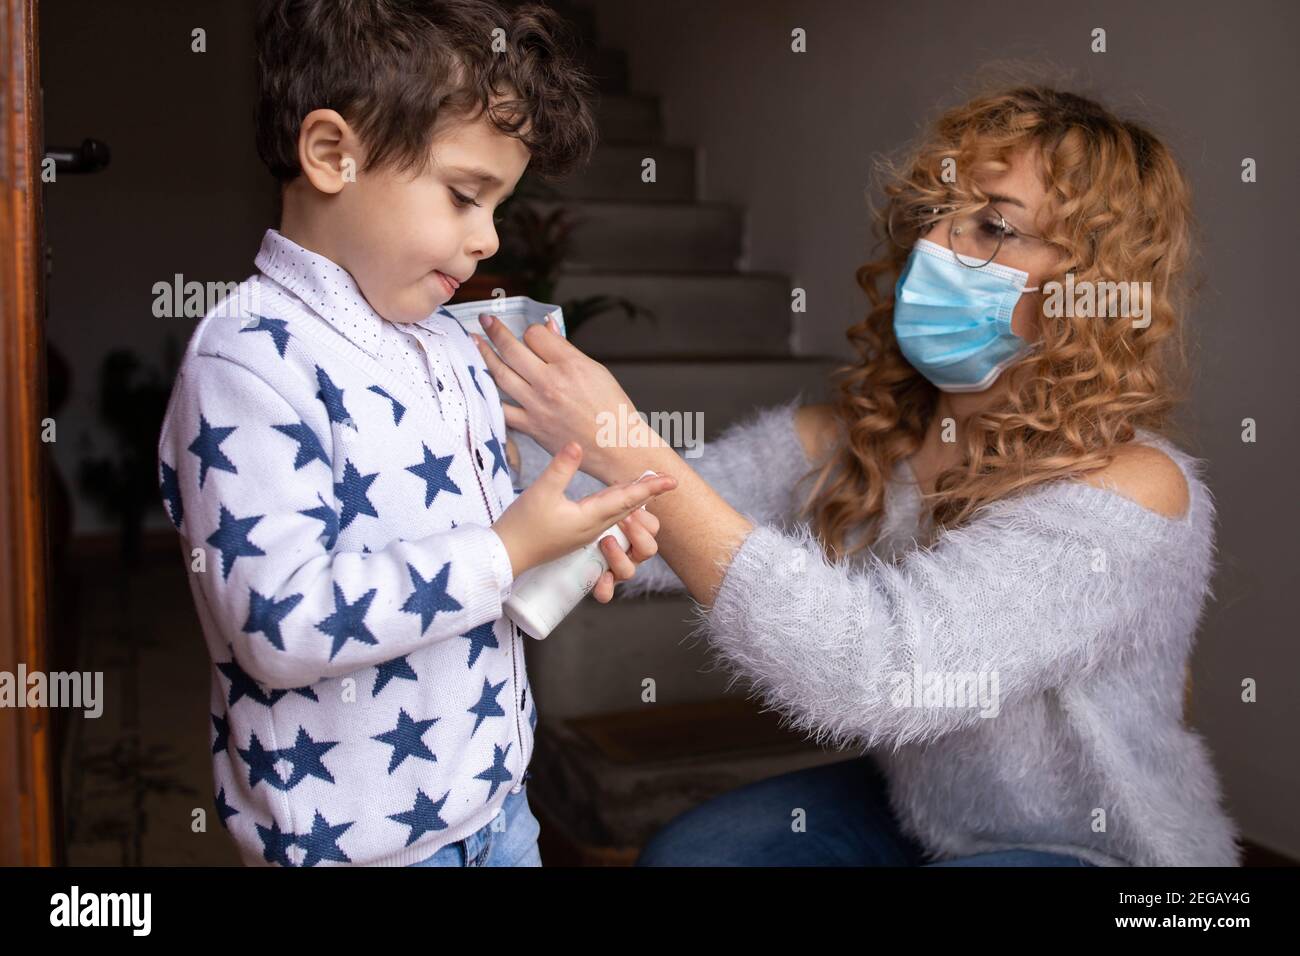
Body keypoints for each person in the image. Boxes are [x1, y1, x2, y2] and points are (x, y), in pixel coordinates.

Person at [492, 86, 1241, 867]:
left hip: (1109, 856)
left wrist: (637, 451)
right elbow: (619, 518)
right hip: (930, 818)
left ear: (1091, 284)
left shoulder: (1136, 492)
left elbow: (881, 675)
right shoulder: (846, 442)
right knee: (697, 855)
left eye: (993, 226)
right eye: (935, 216)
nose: (938, 249)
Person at [156, 0, 674, 868]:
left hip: (500, 811)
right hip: (356, 851)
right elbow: (280, 623)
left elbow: (472, 553)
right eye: (465, 196)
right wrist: (508, 550)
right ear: (332, 154)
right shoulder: (247, 362)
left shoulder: (449, 344)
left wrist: (569, 540)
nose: (488, 238)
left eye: (501, 205)